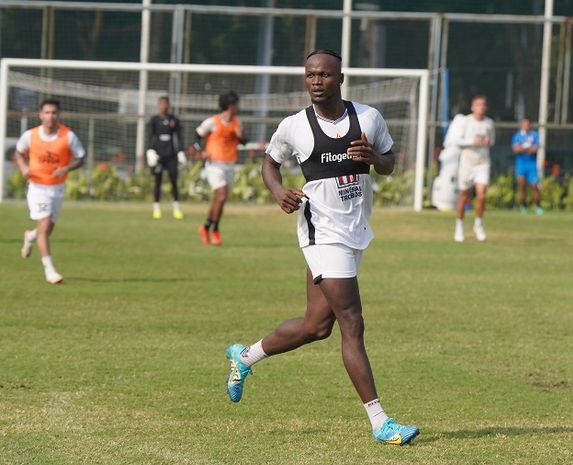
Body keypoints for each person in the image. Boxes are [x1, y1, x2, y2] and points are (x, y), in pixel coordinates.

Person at [224, 49, 419, 446]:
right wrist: (279, 191)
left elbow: (390, 163)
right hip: (321, 233)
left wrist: (374, 158)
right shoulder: (295, 126)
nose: (316, 81)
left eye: (324, 75)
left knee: (316, 327)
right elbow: (269, 162)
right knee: (352, 320)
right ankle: (380, 421)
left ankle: (244, 357)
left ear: (340, 77)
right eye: (310, 74)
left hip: (353, 230)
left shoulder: (368, 118)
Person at [15, 99, 85, 284]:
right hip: (37, 187)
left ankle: (30, 235)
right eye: (46, 112)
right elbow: (18, 153)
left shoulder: (68, 136)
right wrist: (23, 167)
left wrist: (66, 169)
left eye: (54, 113)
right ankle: (50, 271)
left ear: (59, 115)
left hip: (57, 188)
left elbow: (81, 157)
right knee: (44, 225)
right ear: (40, 115)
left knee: (47, 229)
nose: (50, 116)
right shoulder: (30, 135)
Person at [194, 91, 247, 246]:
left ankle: (207, 227)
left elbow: (243, 141)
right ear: (231, 105)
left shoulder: (237, 123)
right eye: (237, 104)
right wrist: (201, 151)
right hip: (214, 164)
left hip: (229, 164)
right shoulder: (212, 121)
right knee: (221, 195)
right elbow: (196, 135)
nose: (238, 107)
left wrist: (241, 136)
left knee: (220, 200)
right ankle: (214, 230)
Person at [451, 95, 495, 242]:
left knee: (482, 195)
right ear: (472, 107)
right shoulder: (466, 121)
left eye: (483, 105)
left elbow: (492, 140)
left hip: (483, 163)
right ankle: (459, 225)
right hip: (467, 163)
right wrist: (473, 141)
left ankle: (478, 224)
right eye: (478, 105)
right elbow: (457, 141)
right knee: (464, 196)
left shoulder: (489, 123)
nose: (481, 108)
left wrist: (487, 141)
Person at [146, 96, 186, 220]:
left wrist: (180, 152)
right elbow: (149, 136)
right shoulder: (154, 120)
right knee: (157, 181)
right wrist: (150, 151)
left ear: (168, 105)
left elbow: (179, 137)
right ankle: (156, 208)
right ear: (158, 105)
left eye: (166, 104)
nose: (163, 106)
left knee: (174, 181)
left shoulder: (174, 120)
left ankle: (176, 208)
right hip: (158, 156)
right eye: (161, 104)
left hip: (171, 156)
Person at [511, 118, 543, 215]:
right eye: (524, 124)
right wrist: (528, 148)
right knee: (522, 186)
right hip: (521, 165)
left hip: (531, 165)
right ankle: (524, 206)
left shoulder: (534, 135)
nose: (526, 126)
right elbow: (515, 149)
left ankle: (538, 206)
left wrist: (523, 148)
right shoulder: (517, 136)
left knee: (534, 185)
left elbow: (536, 149)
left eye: (528, 124)